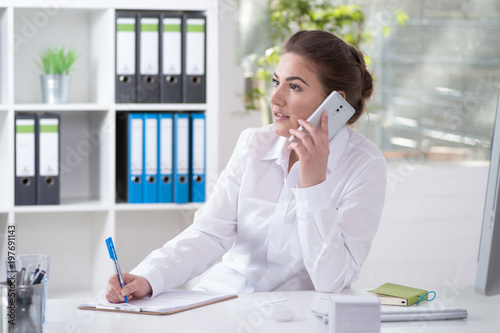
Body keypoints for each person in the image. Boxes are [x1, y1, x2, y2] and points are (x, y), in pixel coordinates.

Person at [106, 30, 387, 303]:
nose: (275, 98)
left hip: (295, 316)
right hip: (223, 300)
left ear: (333, 103)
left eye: (294, 86)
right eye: (277, 82)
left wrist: (314, 184)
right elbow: (210, 233)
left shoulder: (364, 166)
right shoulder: (254, 144)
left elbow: (331, 281)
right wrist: (147, 278)